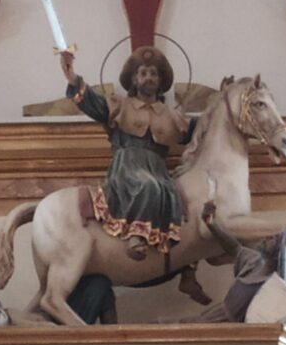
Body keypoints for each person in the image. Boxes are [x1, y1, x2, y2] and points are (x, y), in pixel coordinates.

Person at [61, 46, 194, 261]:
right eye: (143, 73)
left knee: (176, 196)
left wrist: (223, 104)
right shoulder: (120, 105)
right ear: (134, 79)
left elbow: (198, 129)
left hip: (158, 169)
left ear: (160, 81)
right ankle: (136, 235)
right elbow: (93, 102)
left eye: (154, 73)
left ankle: (183, 261)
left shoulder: (171, 115)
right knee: (146, 185)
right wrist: (72, 77)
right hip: (128, 166)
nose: (149, 77)